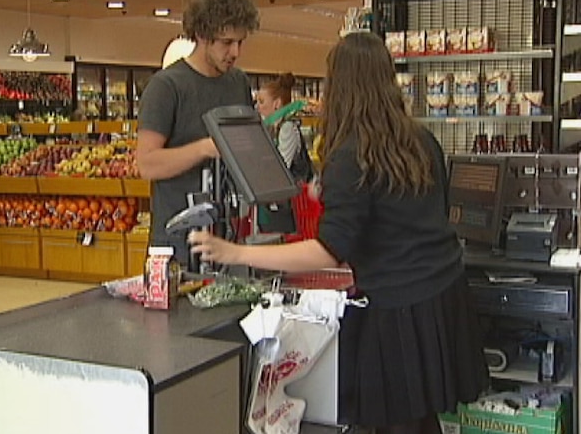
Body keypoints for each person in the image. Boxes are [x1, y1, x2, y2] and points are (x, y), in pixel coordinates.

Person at [189, 32, 488, 434]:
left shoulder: (350, 155)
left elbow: (328, 252)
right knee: (417, 419)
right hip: (442, 297)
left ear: (340, 86)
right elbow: (410, 207)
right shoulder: (420, 140)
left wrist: (234, 253)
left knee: (392, 421)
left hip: (397, 310)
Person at [137, 0, 259, 265]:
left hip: (229, 236)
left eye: (240, 42)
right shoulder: (166, 87)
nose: (236, 52)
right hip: (178, 242)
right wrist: (205, 148)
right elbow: (147, 163)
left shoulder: (238, 82)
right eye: (227, 42)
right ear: (202, 36)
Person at [255, 73, 313, 183]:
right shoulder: (272, 127)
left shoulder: (287, 128)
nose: (257, 106)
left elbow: (281, 168)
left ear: (277, 103)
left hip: (295, 194)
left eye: (261, 101)